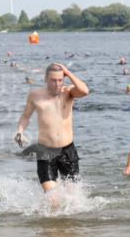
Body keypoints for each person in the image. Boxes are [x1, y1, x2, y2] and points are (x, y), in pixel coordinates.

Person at [14, 63, 90, 192]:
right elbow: (26, 116)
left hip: (67, 150)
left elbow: (85, 91)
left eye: (60, 80)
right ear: (46, 79)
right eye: (53, 80)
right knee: (52, 197)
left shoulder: (68, 92)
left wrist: (68, 73)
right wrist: (20, 131)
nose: (57, 84)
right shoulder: (35, 95)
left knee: (73, 195)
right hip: (45, 151)